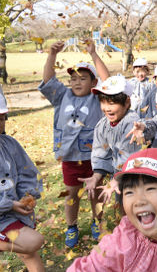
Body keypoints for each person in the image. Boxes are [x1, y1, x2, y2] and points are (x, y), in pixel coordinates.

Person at [38, 40, 109, 248]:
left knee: (96, 193)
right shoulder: (62, 96)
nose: (77, 83)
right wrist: (52, 54)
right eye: (73, 79)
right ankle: (72, 226)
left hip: (94, 157)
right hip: (70, 157)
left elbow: (108, 80)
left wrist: (94, 54)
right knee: (72, 194)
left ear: (93, 82)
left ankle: (98, 221)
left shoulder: (98, 98)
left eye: (83, 78)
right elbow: (48, 79)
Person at [79, 75, 157, 203]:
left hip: (138, 176)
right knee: (122, 205)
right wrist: (96, 176)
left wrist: (115, 180)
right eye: (103, 102)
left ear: (127, 102)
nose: (106, 108)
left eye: (112, 103)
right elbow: (101, 153)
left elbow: (129, 158)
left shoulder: (131, 124)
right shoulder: (102, 125)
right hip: (119, 177)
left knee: (137, 206)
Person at [0, 89, 44, 272]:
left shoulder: (9, 144)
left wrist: (28, 196)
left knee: (28, 253)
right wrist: (9, 204)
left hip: (12, 212)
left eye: (2, 117)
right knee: (35, 241)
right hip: (4, 213)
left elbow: (27, 173)